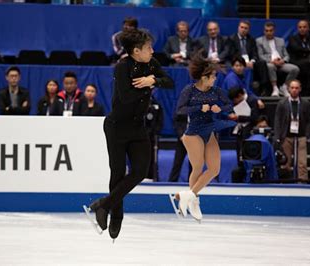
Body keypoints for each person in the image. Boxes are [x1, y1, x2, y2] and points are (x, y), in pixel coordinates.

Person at [87, 29, 174, 240]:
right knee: (117, 173)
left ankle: (103, 204)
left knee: (140, 170)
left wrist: (152, 80)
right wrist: (149, 83)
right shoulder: (122, 66)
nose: (153, 51)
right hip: (117, 127)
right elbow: (126, 97)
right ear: (136, 51)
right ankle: (117, 217)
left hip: (137, 128)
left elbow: (169, 82)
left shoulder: (151, 64)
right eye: (149, 48)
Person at [174, 53, 236, 221]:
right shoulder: (189, 90)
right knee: (198, 167)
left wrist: (220, 109)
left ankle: (188, 196)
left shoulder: (216, 91)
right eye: (213, 76)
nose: (215, 79)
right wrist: (198, 108)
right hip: (193, 132)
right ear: (204, 77)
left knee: (214, 169)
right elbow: (180, 110)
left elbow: (229, 105)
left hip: (209, 131)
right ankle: (194, 201)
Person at [273, 80, 310, 182]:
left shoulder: (305, 103)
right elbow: (277, 120)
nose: (294, 90)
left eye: (296, 88)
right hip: (286, 135)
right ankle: (285, 181)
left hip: (301, 135)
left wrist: (307, 135)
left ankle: (303, 182)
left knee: (302, 162)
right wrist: (277, 136)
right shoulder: (282, 103)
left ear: (300, 89)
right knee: (285, 161)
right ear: (288, 89)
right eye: (292, 88)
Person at [256, 21, 300, 97]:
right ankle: (275, 88)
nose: (269, 33)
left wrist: (283, 60)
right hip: (270, 62)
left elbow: (286, 55)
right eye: (266, 31)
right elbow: (261, 56)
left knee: (295, 69)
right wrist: (272, 61)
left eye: (270, 30)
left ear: (274, 31)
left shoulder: (281, 40)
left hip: (281, 63)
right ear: (264, 31)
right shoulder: (259, 41)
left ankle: (285, 86)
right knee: (270, 66)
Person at [227, 87, 260, 181]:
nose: (235, 102)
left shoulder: (252, 100)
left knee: (248, 155)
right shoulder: (235, 103)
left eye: (235, 100)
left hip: (249, 133)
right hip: (239, 132)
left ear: (240, 95)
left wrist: (239, 117)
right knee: (239, 156)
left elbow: (254, 117)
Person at [230, 20, 270, 96]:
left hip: (250, 62)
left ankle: (265, 89)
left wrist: (252, 61)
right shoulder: (232, 39)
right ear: (238, 28)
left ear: (248, 30)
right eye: (242, 27)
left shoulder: (251, 39)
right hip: (239, 61)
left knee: (262, 63)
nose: (243, 30)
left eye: (246, 28)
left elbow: (255, 53)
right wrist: (243, 62)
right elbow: (232, 54)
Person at [287, 20, 310, 96]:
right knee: (309, 64)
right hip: (295, 60)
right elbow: (296, 48)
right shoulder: (293, 38)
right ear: (297, 28)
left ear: (308, 28)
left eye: (304, 27)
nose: (302, 29)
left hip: (308, 62)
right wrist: (308, 50)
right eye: (300, 27)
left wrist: (308, 52)